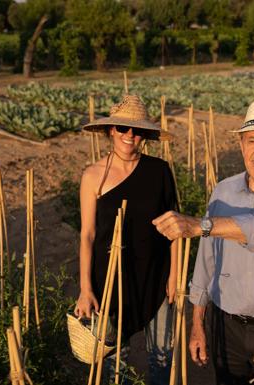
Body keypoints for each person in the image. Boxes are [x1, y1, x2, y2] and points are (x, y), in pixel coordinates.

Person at [153, 100, 254, 385]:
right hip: (226, 325)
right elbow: (207, 260)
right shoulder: (224, 191)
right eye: (251, 140)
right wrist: (197, 325)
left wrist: (202, 225)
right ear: (241, 145)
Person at [74, 94, 178, 385]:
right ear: (111, 131)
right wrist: (85, 289)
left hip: (156, 275)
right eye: (123, 128)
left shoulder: (159, 171)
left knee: (162, 355)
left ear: (144, 135)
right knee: (114, 359)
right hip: (110, 278)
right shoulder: (93, 176)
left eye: (137, 130)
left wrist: (174, 276)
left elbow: (175, 227)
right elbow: (88, 234)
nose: (129, 136)